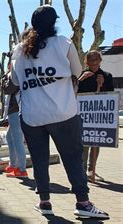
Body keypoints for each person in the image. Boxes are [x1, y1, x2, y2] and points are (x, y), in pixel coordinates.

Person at [7, 5, 109, 218]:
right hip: (63, 112)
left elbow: (15, 81)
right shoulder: (63, 43)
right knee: (72, 157)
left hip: (32, 116)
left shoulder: (18, 51)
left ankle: (44, 202)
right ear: (54, 23)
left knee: (39, 159)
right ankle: (83, 203)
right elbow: (77, 71)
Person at [77, 50, 114, 178]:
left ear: (100, 61)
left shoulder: (107, 76)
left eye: (96, 60)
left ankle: (91, 169)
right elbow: (73, 92)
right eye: (91, 60)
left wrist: (102, 85)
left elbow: (111, 96)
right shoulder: (81, 75)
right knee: (84, 143)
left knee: (96, 143)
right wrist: (80, 80)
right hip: (83, 116)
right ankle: (81, 171)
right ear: (86, 62)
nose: (94, 63)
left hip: (98, 117)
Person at [2, 66, 28, 178]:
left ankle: (21, 169)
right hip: (14, 109)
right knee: (10, 137)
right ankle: (13, 165)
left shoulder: (15, 74)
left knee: (17, 139)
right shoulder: (17, 73)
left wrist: (5, 78)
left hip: (16, 109)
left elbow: (7, 89)